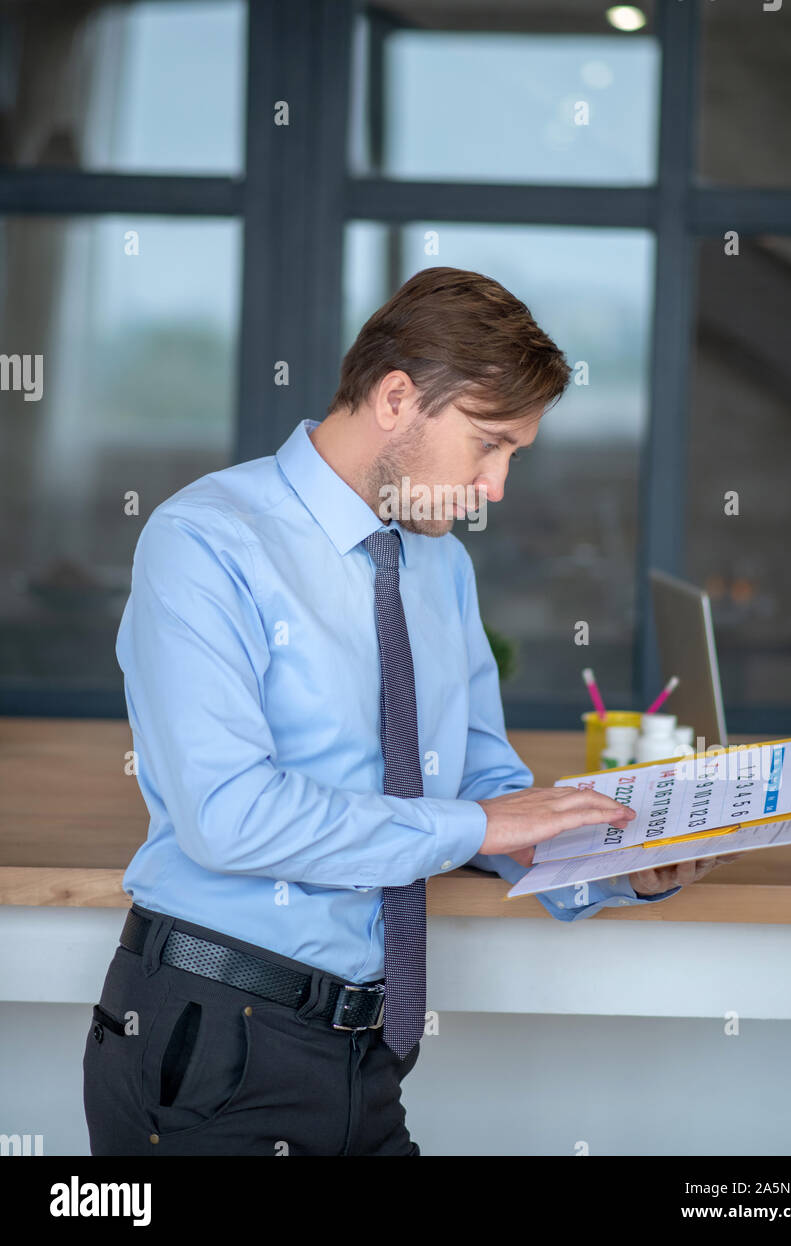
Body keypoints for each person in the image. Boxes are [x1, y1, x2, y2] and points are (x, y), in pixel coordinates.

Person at [82, 265, 737, 1157]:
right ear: (397, 398)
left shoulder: (440, 567)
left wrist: (617, 858)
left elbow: (481, 790)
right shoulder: (204, 542)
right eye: (490, 444)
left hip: (363, 1055)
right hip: (214, 1044)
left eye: (515, 455)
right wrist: (477, 824)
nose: (498, 486)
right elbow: (228, 817)